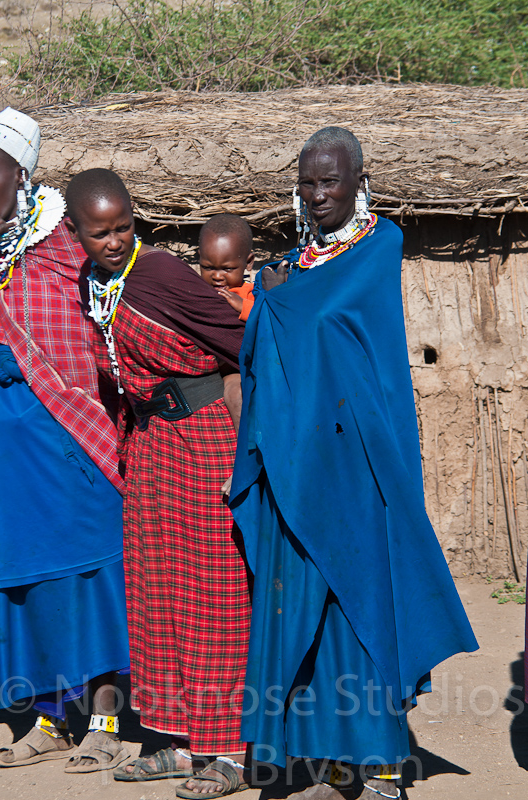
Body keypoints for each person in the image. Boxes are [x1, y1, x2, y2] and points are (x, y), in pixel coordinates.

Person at [229, 126, 479, 800]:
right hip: (296, 468)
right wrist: (271, 296)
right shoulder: (293, 266)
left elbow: (325, 318)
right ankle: (333, 764)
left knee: (360, 609)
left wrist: (277, 295)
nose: (317, 195)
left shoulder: (377, 248)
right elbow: (265, 352)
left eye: (330, 181)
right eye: (307, 183)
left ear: (358, 182)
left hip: (356, 471)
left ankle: (385, 770)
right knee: (308, 618)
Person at [65, 168, 252, 797]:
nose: (114, 240)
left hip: (204, 441)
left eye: (123, 226)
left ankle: (231, 750)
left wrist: (244, 445)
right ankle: (178, 740)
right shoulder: (94, 284)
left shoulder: (161, 275)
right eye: (99, 232)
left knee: (216, 591)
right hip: (150, 447)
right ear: (76, 233)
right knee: (159, 592)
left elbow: (243, 344)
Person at [0, 108, 130, 773]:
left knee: (89, 576)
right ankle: (48, 718)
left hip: (73, 441)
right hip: (10, 460)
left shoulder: (65, 241)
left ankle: (105, 719)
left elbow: (110, 326)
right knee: (30, 585)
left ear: (20, 176)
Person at [199, 214, 255, 322]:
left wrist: (244, 307)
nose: (217, 276)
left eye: (227, 269)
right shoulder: (196, 292)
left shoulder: (252, 295)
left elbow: (269, 321)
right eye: (208, 267)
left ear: (248, 262)